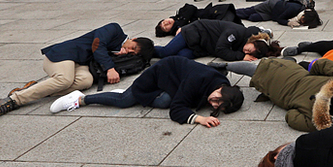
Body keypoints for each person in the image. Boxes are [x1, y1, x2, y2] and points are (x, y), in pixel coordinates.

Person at [0, 23, 154, 121]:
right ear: (134, 39)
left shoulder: (119, 51)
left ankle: (33, 89)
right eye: (132, 48)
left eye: (133, 54)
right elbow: (97, 44)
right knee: (65, 80)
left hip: (78, 64)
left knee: (85, 82)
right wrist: (110, 68)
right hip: (63, 54)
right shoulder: (115, 29)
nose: (129, 51)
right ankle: (11, 101)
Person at [48, 56, 243, 127]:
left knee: (165, 99)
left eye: (219, 106)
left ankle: (127, 92)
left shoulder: (220, 83)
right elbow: (176, 110)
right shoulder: (197, 81)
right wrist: (199, 119)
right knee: (125, 101)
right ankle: (81, 99)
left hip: (174, 80)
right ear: (221, 90)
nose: (214, 104)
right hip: (159, 75)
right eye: (217, 100)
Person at [155, 19, 280, 62]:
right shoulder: (236, 32)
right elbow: (220, 50)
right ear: (253, 42)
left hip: (201, 47)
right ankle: (141, 48)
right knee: (166, 52)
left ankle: (148, 58)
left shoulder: (243, 43)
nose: (247, 51)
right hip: (194, 32)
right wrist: (240, 56)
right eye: (250, 49)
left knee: (180, 57)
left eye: (250, 53)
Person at [155, 2, 241, 37]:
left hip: (219, 13)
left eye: (163, 22)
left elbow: (191, 8)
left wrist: (181, 25)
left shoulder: (181, 13)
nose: (166, 23)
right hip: (218, 24)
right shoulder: (179, 32)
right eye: (165, 27)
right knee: (237, 30)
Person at [237, 0, 321, 28]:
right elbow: (280, 19)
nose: (302, 22)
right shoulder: (294, 9)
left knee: (253, 18)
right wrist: (288, 22)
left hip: (272, 14)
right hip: (270, 6)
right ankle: (229, 11)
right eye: (303, 21)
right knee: (246, 12)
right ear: (304, 15)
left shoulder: (300, 14)